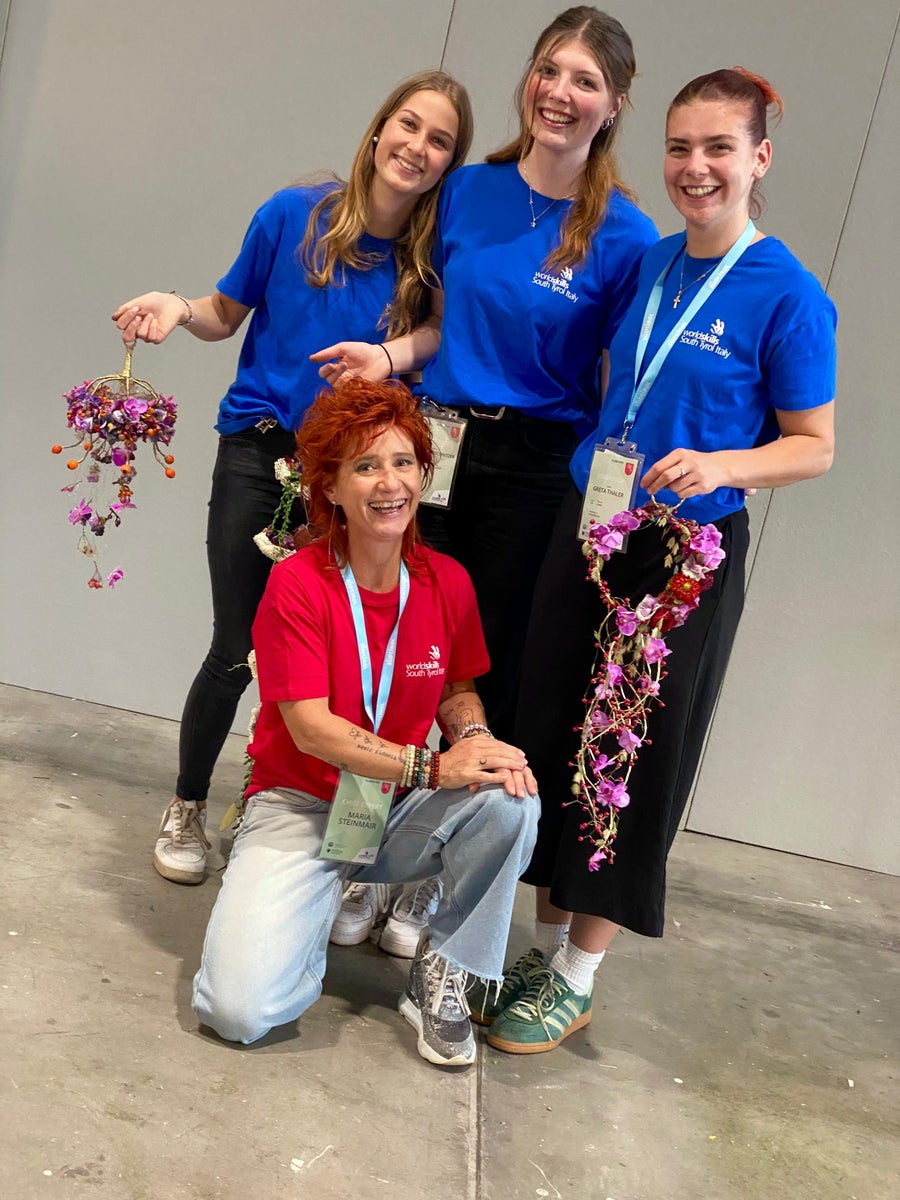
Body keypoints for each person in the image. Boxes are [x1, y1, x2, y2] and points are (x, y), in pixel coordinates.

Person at [476, 67, 837, 1054]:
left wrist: (723, 462)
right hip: (592, 526)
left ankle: (579, 973)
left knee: (627, 753)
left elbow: (814, 445)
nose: (695, 167)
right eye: (680, 147)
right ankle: (542, 951)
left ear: (760, 158)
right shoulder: (653, 263)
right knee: (556, 730)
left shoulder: (789, 294)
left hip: (682, 559)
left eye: (719, 148)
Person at [110, 71, 473, 886]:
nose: (417, 147)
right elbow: (223, 311)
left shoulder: (429, 258)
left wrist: (387, 357)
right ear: (378, 130)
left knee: (330, 663)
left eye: (440, 140)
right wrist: (178, 307)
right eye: (408, 125)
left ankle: (269, 803)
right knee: (237, 646)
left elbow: (439, 335)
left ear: (450, 163)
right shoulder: (292, 216)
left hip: (354, 476)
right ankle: (188, 803)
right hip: (260, 451)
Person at [312, 7, 658, 743]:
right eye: (548, 71)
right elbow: (441, 324)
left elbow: (617, 378)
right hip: (435, 445)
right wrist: (386, 358)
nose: (559, 92)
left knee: (488, 653)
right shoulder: (465, 191)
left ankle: (465, 804)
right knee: (398, 626)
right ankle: (372, 793)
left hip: (535, 467)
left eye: (585, 81)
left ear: (614, 106)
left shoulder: (626, 235)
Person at [191, 378, 540, 1068]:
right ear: (330, 487)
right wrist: (436, 766)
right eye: (366, 466)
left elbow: (457, 688)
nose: (390, 483)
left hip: (395, 806)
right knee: (238, 1013)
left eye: (403, 462)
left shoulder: (447, 581)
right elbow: (312, 729)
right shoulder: (298, 583)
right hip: (301, 806)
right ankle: (316, 902)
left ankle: (444, 968)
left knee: (510, 797)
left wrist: (475, 740)